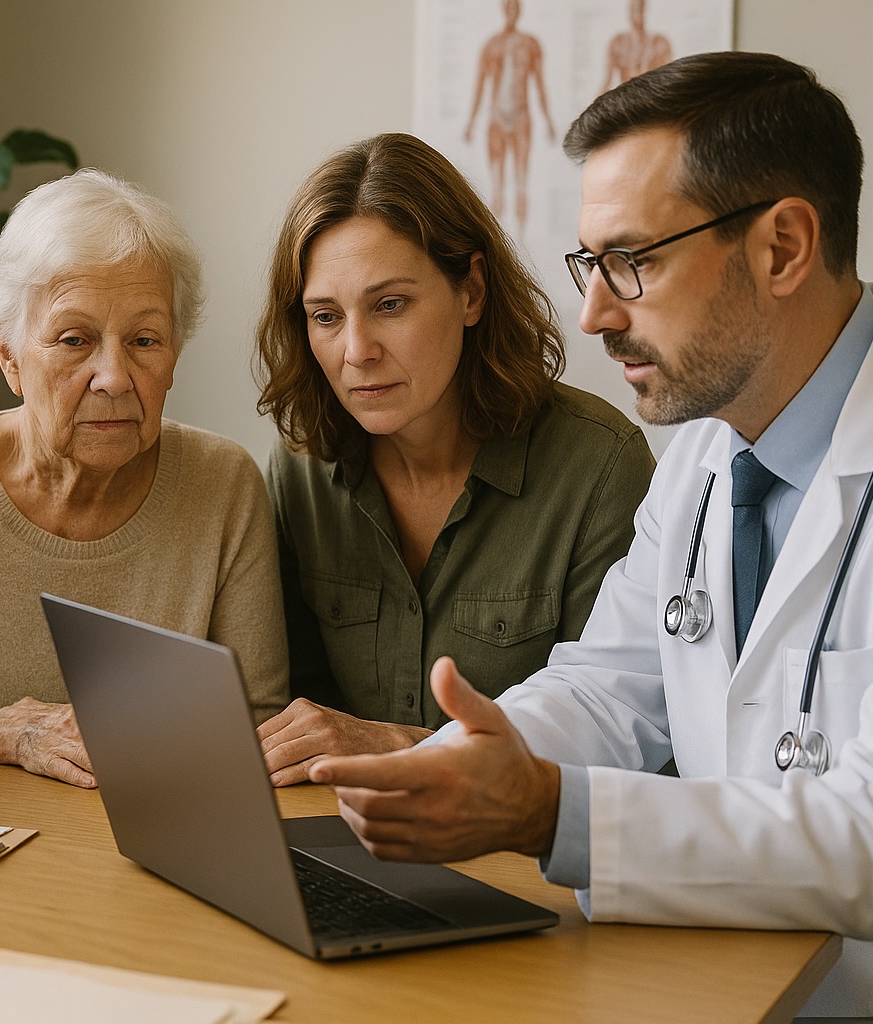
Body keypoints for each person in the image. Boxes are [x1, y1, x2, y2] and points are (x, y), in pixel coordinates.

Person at [312, 53, 873, 1021]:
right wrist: (464, 760)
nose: (593, 314)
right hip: (711, 978)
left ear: (782, 247)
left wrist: (546, 810)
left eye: (634, 261)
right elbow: (612, 681)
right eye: (590, 264)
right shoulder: (709, 447)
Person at [0, 169, 288, 789]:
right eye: (73, 339)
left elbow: (257, 730)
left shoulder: (226, 486)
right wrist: (3, 735)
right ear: (8, 353)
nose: (113, 376)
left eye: (145, 339)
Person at [254, 132, 653, 787]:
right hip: (341, 841)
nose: (356, 350)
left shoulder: (598, 467)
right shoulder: (300, 469)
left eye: (390, 305)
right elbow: (291, 709)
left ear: (471, 292)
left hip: (521, 862)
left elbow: (624, 732)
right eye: (326, 316)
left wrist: (403, 748)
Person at [464, 0, 555, 230]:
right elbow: (479, 87)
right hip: (496, 118)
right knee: (497, 187)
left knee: (521, 182)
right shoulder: (492, 46)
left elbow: (539, 85)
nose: (512, 12)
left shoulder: (529, 44)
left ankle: (522, 239)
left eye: (516, 8)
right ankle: (499, 246)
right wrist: (471, 122)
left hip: (521, 116)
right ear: (504, 10)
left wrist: (549, 121)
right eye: (509, 7)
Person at [599, 0, 672, 94]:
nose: (637, 13)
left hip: (652, 98)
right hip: (627, 100)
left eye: (640, 8)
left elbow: (669, 79)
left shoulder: (659, 42)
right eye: (634, 8)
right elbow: (607, 80)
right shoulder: (617, 43)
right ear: (628, 11)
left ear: (646, 10)